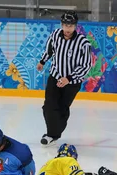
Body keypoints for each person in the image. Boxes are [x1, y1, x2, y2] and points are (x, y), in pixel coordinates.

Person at [37, 11, 92, 146]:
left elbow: (86, 65)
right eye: (66, 25)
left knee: (62, 108)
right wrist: (42, 61)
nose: (68, 29)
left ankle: (54, 134)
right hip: (55, 77)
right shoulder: (55, 35)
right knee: (48, 106)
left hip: (72, 82)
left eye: (71, 26)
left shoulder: (83, 43)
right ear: (62, 25)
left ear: (75, 26)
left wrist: (69, 78)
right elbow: (49, 49)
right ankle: (51, 134)